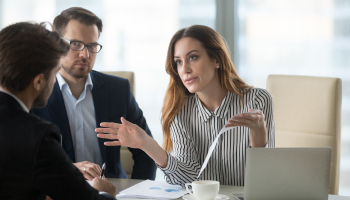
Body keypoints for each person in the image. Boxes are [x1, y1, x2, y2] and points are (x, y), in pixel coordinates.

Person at [96, 25, 275, 187]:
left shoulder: (257, 100)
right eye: (179, 62)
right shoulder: (180, 110)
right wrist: (146, 144)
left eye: (193, 57)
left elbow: (267, 180)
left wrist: (259, 135)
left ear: (217, 60)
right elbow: (188, 180)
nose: (185, 69)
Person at [31, 7, 156, 180]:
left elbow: (147, 151)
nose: (85, 54)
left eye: (92, 46)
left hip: (111, 192)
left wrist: (137, 194)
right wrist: (67, 170)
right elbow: (21, 161)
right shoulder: (34, 91)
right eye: (75, 44)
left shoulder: (118, 89)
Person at [0, 22, 116, 200]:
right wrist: (103, 192)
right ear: (39, 81)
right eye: (55, 73)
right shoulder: (36, 135)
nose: (55, 81)